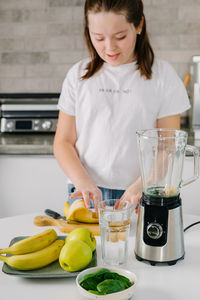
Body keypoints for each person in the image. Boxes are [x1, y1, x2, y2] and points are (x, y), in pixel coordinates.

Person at [53, 0, 190, 212]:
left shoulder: (163, 76)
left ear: (138, 25)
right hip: (85, 192)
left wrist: (141, 186)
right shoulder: (77, 75)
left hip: (143, 193)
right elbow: (63, 141)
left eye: (120, 37)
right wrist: (84, 182)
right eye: (98, 37)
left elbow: (167, 146)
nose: (109, 47)